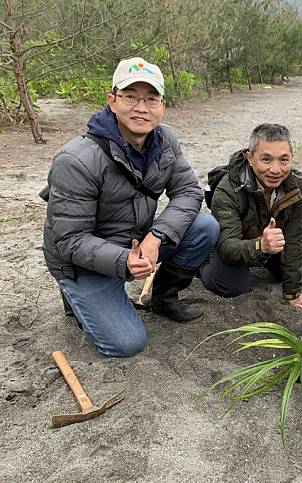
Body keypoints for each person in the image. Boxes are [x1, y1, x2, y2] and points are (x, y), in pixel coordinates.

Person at [41, 57, 219, 357]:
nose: (141, 107)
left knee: (205, 227)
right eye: (131, 96)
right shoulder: (76, 160)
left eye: (151, 98)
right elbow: (70, 240)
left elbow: (188, 191)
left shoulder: (165, 141)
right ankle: (74, 294)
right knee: (127, 344)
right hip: (81, 261)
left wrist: (157, 236)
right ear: (112, 101)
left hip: (136, 241)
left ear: (162, 105)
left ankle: (163, 298)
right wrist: (125, 260)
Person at [199, 123, 302, 309]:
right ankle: (201, 261)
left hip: (266, 241)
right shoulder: (227, 189)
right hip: (232, 241)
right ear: (250, 158)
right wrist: (261, 245)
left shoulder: (298, 185)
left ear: (292, 158)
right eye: (266, 160)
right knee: (233, 287)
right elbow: (228, 247)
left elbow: (295, 238)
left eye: (284, 160)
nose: (276, 170)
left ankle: (263, 254)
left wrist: (292, 293)